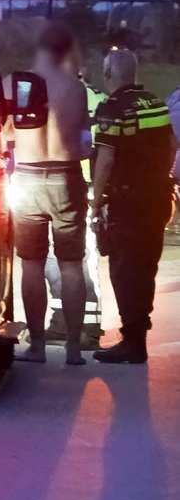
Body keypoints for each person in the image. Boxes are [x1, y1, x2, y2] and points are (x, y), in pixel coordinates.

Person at [9, 23, 91, 365]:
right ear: (65, 50)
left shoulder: (14, 85)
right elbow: (85, 143)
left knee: (31, 263)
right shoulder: (76, 88)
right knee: (72, 265)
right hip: (66, 177)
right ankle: (73, 348)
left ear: (39, 48)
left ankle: (38, 345)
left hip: (26, 178)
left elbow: (3, 135)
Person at [91, 49, 175, 364]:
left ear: (108, 73)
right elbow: (170, 145)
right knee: (146, 268)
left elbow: (106, 160)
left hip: (128, 202)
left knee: (124, 270)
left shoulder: (112, 109)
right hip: (158, 197)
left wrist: (95, 202)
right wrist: (159, 176)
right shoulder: (154, 101)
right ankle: (138, 334)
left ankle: (132, 341)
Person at [43, 74, 106, 348]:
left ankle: (78, 326)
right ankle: (78, 325)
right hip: (82, 187)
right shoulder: (100, 99)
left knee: (63, 260)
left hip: (70, 185)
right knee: (78, 260)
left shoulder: (48, 96)